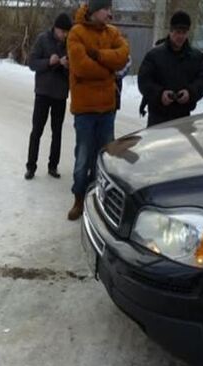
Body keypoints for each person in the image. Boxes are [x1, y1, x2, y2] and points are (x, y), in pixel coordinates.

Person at [66, 0, 129, 221]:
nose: (109, 13)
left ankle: (101, 198)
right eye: (106, 9)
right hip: (85, 109)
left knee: (106, 157)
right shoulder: (76, 33)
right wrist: (108, 71)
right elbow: (81, 67)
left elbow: (123, 56)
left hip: (107, 109)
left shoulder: (112, 32)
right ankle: (79, 199)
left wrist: (99, 56)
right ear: (94, 11)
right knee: (83, 156)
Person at [137, 11, 203, 127]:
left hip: (183, 117)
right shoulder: (154, 55)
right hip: (158, 116)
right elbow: (144, 81)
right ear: (170, 31)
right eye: (177, 32)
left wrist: (190, 93)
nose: (180, 36)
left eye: (184, 32)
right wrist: (160, 94)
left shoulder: (196, 58)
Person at [25, 12, 73, 180]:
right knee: (37, 130)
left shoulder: (70, 43)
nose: (65, 35)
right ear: (56, 29)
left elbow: (74, 70)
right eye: (63, 32)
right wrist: (49, 62)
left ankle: (53, 165)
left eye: (67, 32)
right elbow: (31, 63)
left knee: (57, 132)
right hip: (43, 92)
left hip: (60, 94)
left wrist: (67, 66)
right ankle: (31, 166)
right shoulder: (42, 39)